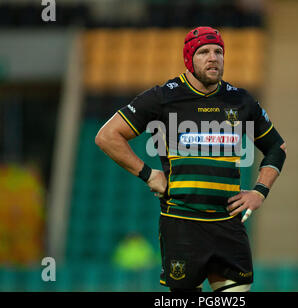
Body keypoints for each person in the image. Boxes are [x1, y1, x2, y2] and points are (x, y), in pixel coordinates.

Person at [95, 26, 287, 292]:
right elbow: (107, 136)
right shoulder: (163, 97)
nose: (213, 58)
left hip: (227, 226)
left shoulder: (240, 100)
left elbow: (277, 147)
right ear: (189, 58)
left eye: (219, 51)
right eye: (204, 52)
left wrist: (260, 192)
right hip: (182, 225)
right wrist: (149, 174)